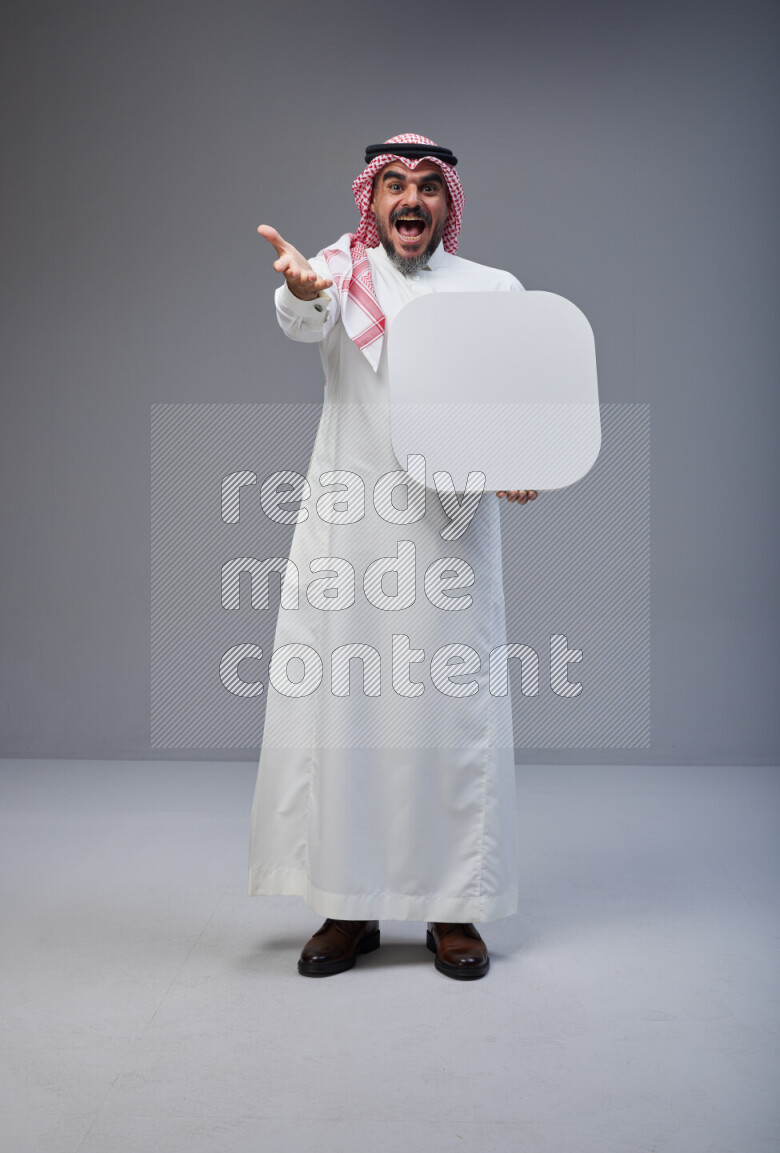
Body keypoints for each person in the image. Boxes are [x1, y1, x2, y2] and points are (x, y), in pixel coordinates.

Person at [250, 134, 537, 981]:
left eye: (428, 187)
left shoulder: (493, 290)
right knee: (348, 714)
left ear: (447, 204)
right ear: (372, 200)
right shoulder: (336, 274)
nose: (412, 199)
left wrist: (522, 460)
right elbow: (300, 316)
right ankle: (348, 905)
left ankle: (454, 909)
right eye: (396, 186)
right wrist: (300, 289)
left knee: (450, 715)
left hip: (450, 538)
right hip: (353, 535)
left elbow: (517, 400)